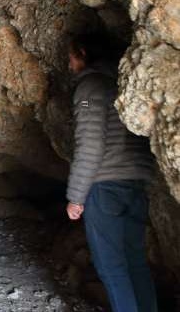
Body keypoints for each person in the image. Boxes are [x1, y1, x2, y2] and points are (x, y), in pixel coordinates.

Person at [65, 33, 157, 312]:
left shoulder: (90, 86)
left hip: (105, 187)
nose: (69, 65)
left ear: (82, 53)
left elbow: (90, 144)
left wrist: (76, 197)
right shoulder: (125, 84)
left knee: (112, 267)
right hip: (136, 183)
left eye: (70, 57)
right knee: (135, 262)